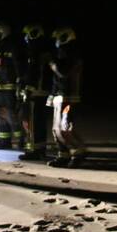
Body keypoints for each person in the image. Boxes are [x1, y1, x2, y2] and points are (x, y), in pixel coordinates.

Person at [47, 26, 86, 167]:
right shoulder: (61, 53)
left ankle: (78, 153)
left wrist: (52, 64)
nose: (56, 41)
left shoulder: (73, 54)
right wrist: (52, 94)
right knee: (55, 129)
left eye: (58, 38)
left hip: (69, 96)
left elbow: (63, 73)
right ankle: (63, 155)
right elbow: (57, 79)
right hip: (60, 95)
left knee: (65, 128)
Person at [18, 23, 51, 161]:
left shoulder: (35, 53)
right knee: (40, 122)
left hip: (34, 93)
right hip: (42, 92)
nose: (26, 39)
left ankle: (33, 151)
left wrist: (25, 86)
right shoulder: (46, 51)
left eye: (27, 35)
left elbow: (33, 74)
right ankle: (40, 149)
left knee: (31, 122)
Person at [0, 21, 22, 150]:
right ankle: (4, 140)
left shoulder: (12, 46)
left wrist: (19, 82)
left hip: (10, 86)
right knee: (0, 115)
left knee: (10, 114)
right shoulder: (2, 46)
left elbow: (17, 67)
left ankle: (21, 139)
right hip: (1, 87)